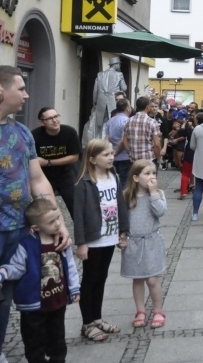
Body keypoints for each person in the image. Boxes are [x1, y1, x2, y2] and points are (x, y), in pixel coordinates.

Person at [0, 66, 70, 363]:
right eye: (21, 88)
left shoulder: (21, 131)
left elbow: (38, 180)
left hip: (20, 229)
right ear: (1, 91)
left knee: (4, 295)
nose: (27, 94)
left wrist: (57, 222)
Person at [0, 198, 80, 363]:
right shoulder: (27, 245)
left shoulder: (61, 242)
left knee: (58, 340)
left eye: (57, 218)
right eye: (51, 222)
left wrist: (74, 288)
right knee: (34, 341)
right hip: (33, 306)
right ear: (35, 227)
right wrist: (3, 272)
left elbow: (70, 266)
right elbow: (18, 267)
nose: (57, 224)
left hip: (57, 301)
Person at [73, 139, 128, 341]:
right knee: (90, 280)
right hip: (93, 239)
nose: (111, 157)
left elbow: (120, 204)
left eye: (112, 153)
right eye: (106, 154)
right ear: (92, 159)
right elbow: (78, 216)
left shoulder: (114, 177)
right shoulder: (84, 183)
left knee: (102, 278)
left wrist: (123, 231)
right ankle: (87, 323)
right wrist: (81, 242)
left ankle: (97, 318)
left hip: (110, 236)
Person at [122, 160, 168, 329]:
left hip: (152, 242)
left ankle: (157, 310)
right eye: (147, 174)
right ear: (135, 177)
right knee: (138, 279)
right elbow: (123, 219)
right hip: (133, 243)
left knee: (152, 279)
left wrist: (154, 193)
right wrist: (121, 236)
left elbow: (161, 212)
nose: (152, 177)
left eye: (154, 173)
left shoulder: (157, 194)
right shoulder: (127, 195)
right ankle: (140, 311)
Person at [31, 107, 80, 216]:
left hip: (66, 174)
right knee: (44, 208)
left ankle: (81, 231)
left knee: (76, 206)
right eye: (50, 118)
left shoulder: (69, 132)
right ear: (42, 122)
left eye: (56, 116)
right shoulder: (35, 135)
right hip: (44, 177)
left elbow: (75, 157)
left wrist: (48, 162)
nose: (55, 120)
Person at [89, 57, 127, 144]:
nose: (120, 66)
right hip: (113, 101)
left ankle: (98, 143)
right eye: (119, 64)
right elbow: (124, 88)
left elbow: (95, 90)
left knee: (99, 124)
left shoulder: (100, 74)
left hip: (101, 101)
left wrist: (95, 101)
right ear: (116, 64)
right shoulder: (119, 74)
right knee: (113, 122)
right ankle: (110, 142)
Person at [122, 96, 162, 167]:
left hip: (134, 160)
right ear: (147, 107)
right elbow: (156, 144)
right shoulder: (152, 122)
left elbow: (124, 142)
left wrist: (130, 153)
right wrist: (158, 157)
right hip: (149, 159)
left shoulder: (127, 121)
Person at [105, 98, 132, 189]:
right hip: (124, 156)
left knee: (113, 180)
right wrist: (117, 151)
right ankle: (123, 200)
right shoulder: (127, 121)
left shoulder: (111, 120)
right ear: (127, 108)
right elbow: (123, 140)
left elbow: (107, 138)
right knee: (124, 182)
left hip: (112, 155)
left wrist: (109, 152)